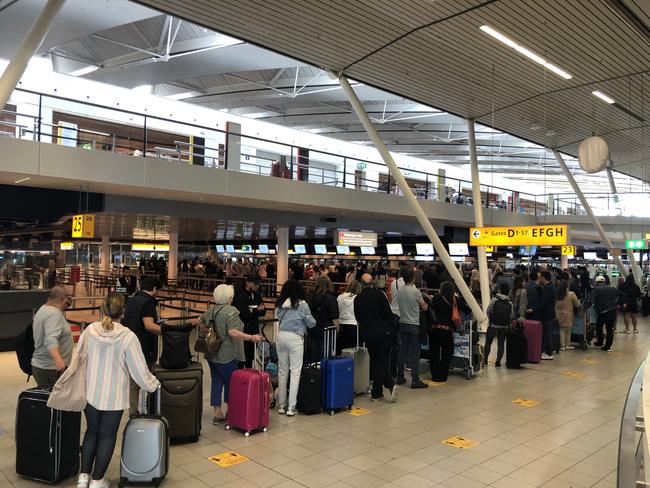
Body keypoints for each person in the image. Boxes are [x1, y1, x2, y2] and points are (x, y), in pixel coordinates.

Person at [75, 294, 160, 488]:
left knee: (91, 432)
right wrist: (154, 385)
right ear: (123, 312)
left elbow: (78, 359)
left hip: (90, 392)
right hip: (113, 396)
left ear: (103, 309)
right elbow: (139, 370)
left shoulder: (89, 331)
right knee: (107, 435)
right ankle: (97, 480)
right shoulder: (128, 336)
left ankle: (83, 478)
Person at [192, 284, 263, 424]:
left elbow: (200, 320)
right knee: (231, 382)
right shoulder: (231, 311)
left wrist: (210, 333)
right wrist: (250, 337)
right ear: (230, 298)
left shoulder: (212, 310)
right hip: (226, 354)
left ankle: (217, 413)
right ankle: (232, 410)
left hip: (212, 353)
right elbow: (233, 332)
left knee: (217, 381)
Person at [354, 274, 398, 402]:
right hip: (384, 334)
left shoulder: (358, 299)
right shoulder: (380, 295)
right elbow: (389, 315)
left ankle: (377, 393)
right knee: (382, 362)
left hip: (368, 335)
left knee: (376, 361)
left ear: (361, 284)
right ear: (373, 282)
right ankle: (390, 384)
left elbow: (358, 318)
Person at [275, 280, 316, 416]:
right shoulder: (302, 305)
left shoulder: (280, 304)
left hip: (280, 336)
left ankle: (281, 405)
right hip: (295, 338)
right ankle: (291, 407)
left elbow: (278, 318)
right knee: (295, 372)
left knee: (282, 370)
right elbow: (311, 324)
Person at [122, 276, 161, 416]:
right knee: (148, 379)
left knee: (133, 382)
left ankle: (133, 412)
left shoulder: (132, 300)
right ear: (155, 289)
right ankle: (150, 409)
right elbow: (149, 326)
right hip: (144, 347)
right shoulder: (148, 303)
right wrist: (166, 331)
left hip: (130, 346)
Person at [31, 286, 73, 389]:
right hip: (51, 369)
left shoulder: (43, 309)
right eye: (69, 297)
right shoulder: (54, 314)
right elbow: (51, 339)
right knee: (55, 403)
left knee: (46, 401)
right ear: (63, 298)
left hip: (43, 367)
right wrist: (59, 361)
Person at [395, 267, 428, 389]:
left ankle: (399, 377)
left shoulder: (400, 290)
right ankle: (415, 380)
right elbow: (424, 307)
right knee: (415, 353)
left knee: (402, 351)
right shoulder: (416, 292)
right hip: (414, 325)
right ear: (413, 278)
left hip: (402, 324)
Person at [428, 281, 468, 382]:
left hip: (435, 329)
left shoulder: (436, 297)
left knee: (434, 353)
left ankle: (434, 375)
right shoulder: (454, 300)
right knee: (447, 354)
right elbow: (468, 310)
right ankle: (442, 375)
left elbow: (430, 308)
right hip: (447, 330)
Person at [232, 275, 266, 367]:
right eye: (256, 284)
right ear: (248, 283)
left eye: (258, 284)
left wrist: (254, 311)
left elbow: (263, 311)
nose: (257, 286)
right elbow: (244, 315)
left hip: (254, 330)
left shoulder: (257, 295)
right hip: (242, 331)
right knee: (241, 358)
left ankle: (249, 377)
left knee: (250, 358)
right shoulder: (240, 296)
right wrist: (256, 310)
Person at [308, 276, 340, 363]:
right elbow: (334, 317)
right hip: (327, 332)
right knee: (326, 356)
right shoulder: (331, 299)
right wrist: (338, 330)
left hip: (313, 330)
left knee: (314, 355)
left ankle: (314, 374)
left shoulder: (310, 297)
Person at [590, 275, 624, 352]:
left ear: (596, 282)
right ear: (604, 282)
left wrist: (583, 307)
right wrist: (618, 303)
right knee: (609, 330)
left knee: (599, 327)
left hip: (602, 312)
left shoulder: (596, 290)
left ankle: (600, 341)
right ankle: (607, 347)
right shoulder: (613, 289)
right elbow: (623, 295)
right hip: (612, 311)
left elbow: (590, 301)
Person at [484, 283, 513, 367]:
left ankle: (485, 360)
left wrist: (491, 319)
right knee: (501, 344)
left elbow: (488, 311)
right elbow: (511, 315)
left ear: (500, 290)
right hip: (503, 326)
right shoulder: (510, 303)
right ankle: (498, 362)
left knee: (488, 343)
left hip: (493, 325)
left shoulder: (494, 300)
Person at [336, 280, 362, 354]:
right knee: (353, 353)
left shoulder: (340, 297)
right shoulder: (358, 298)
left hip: (341, 326)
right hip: (354, 326)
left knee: (341, 351)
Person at [555, 279, 581, 350]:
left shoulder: (557, 294)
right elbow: (577, 304)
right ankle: (567, 345)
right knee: (568, 330)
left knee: (561, 330)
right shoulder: (571, 294)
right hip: (568, 314)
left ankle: (562, 345)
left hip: (558, 314)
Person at [537, 271, 557, 360]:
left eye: (540, 277)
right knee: (547, 333)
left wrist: (535, 309)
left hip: (546, 314)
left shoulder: (547, 288)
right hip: (550, 313)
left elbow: (543, 302)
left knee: (547, 333)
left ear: (544, 278)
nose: (539, 279)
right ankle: (547, 351)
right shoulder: (552, 287)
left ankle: (549, 353)